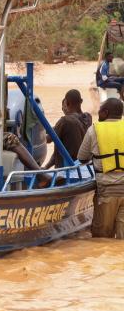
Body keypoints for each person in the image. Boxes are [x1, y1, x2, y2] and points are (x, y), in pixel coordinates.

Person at [77, 98, 124, 238]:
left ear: (106, 112)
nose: (98, 112)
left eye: (100, 109)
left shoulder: (94, 130)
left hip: (107, 191)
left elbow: (82, 157)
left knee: (102, 238)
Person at [44, 89, 92, 169]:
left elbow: (48, 140)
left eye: (63, 108)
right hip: (85, 166)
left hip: (68, 168)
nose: (63, 111)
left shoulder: (65, 121)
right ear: (81, 101)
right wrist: (46, 167)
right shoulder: (88, 118)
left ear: (67, 103)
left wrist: (37, 133)